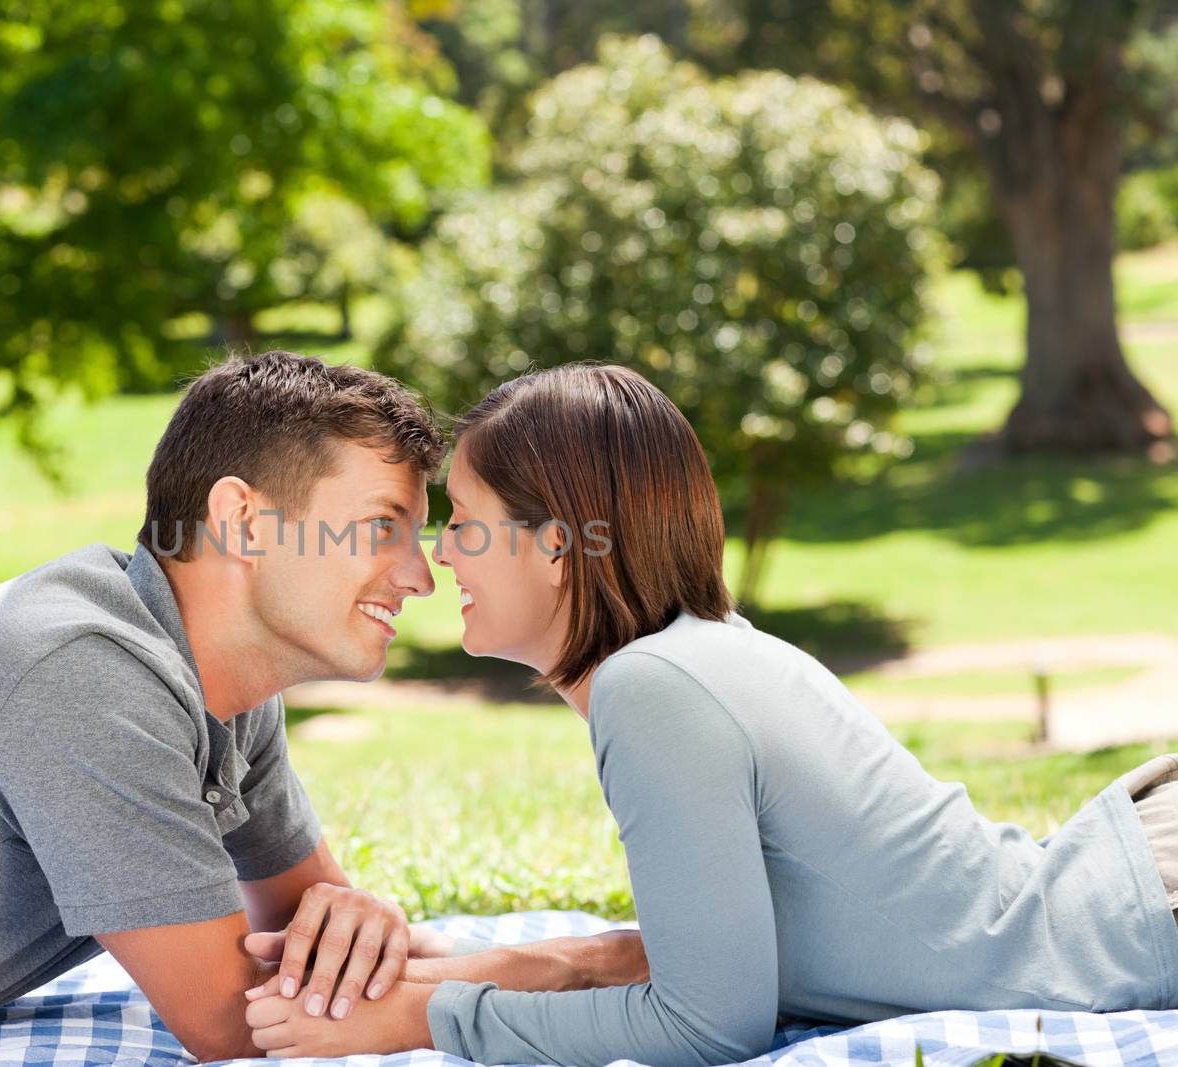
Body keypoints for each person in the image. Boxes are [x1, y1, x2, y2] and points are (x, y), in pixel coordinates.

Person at [0, 352, 641, 1057]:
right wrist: (592, 960)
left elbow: (305, 941)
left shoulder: (222, 684)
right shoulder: (81, 670)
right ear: (245, 520)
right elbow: (233, 1015)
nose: (417, 575)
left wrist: (352, 918)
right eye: (381, 526)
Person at [244, 363, 1178, 1067]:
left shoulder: (655, 690)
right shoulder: (693, 656)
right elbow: (708, 958)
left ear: (557, 545)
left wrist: (421, 1015)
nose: (442, 554)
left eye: (466, 517)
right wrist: (496, 966)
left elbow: (704, 1024)